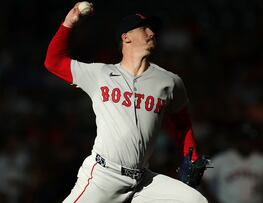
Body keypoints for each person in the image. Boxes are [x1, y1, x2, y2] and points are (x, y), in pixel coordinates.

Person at [44, 2, 207, 203]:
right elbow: (53, 61)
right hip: (104, 176)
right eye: (144, 28)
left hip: (143, 181)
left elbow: (182, 124)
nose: (151, 32)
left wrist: (191, 155)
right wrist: (69, 22)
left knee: (195, 201)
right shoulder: (100, 74)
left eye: (152, 29)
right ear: (126, 37)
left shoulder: (169, 82)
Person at [202, 123, 263, 203]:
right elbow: (202, 179)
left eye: (248, 139)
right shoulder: (221, 159)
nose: (245, 143)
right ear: (236, 140)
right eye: (242, 139)